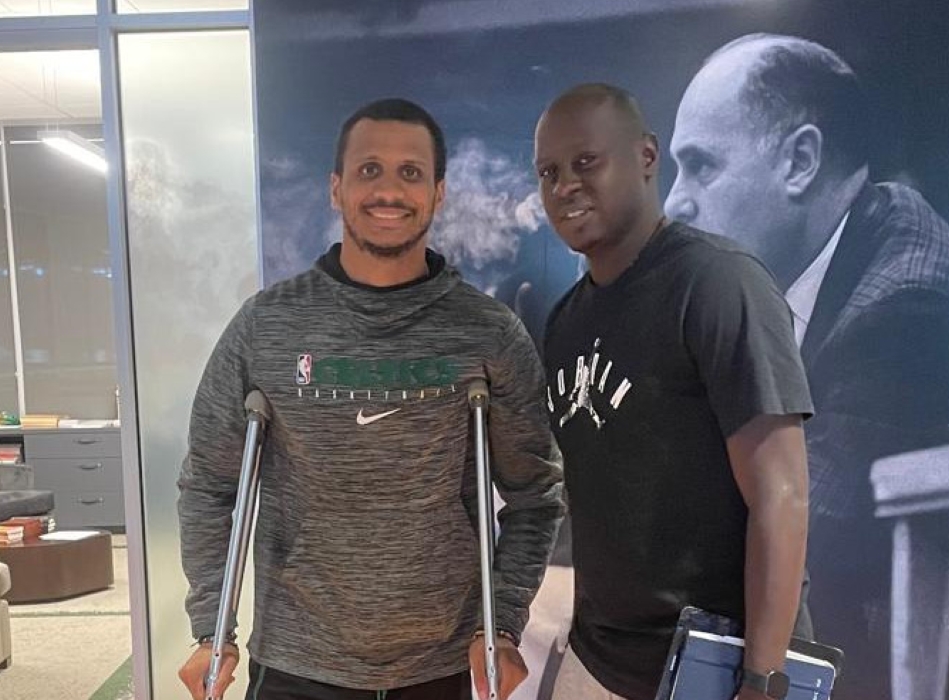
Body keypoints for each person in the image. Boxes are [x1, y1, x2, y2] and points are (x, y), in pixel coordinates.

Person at [665, 34, 949, 697]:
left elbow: (797, 549)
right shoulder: (820, 263)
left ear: (800, 160)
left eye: (701, 167)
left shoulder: (906, 309)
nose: (674, 203)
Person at [176, 98, 564, 700]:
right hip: (295, 663)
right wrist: (211, 626)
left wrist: (502, 623)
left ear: (438, 193)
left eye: (411, 173)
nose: (389, 190)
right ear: (336, 189)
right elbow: (208, 485)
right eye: (368, 170)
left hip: (438, 667)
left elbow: (535, 496)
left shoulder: (488, 333)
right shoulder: (266, 326)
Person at [535, 83, 814, 700]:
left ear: (646, 157)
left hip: (714, 670)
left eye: (586, 162)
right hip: (598, 661)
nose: (564, 186)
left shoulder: (716, 283)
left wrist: (764, 679)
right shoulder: (565, 321)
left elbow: (783, 495)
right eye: (549, 172)